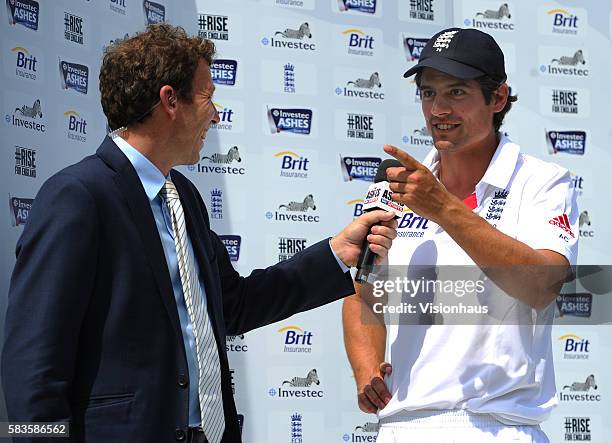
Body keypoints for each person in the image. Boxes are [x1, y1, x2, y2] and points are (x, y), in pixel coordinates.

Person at [1, 24, 397, 443]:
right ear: (169, 100)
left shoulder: (184, 197)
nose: (216, 113)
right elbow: (33, 365)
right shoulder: (78, 196)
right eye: (208, 96)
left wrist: (337, 252)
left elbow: (235, 305)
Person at [343, 27, 578, 443]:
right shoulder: (395, 187)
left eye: (456, 93)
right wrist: (367, 370)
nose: (438, 109)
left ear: (498, 98)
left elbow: (543, 285)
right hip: (398, 428)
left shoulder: (543, 182)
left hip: (496, 427)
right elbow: (363, 296)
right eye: (428, 93)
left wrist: (443, 208)